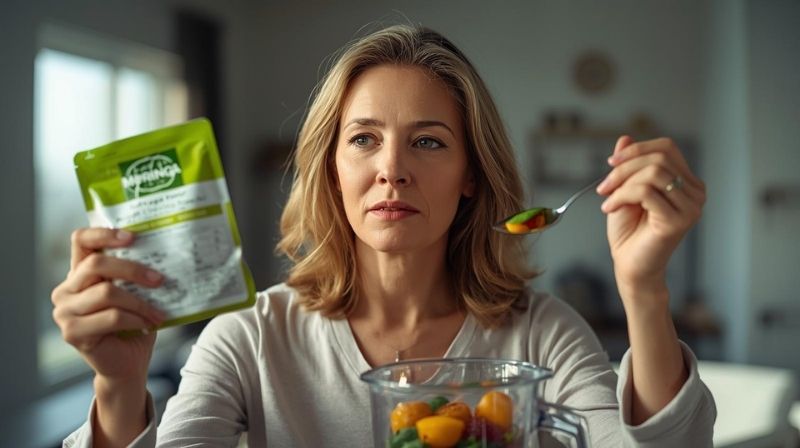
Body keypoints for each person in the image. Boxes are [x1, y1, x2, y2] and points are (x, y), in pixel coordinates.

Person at [56, 25, 715, 447]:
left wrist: (644, 290)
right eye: (364, 139)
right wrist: (118, 386)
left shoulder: (544, 334)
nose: (392, 170)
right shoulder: (248, 339)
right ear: (331, 169)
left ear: (470, 176)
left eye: (428, 142)